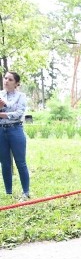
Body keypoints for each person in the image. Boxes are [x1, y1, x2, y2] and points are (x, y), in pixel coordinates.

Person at [0, 71, 30, 200]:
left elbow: (19, 113)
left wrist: (4, 110)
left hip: (16, 130)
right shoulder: (0, 95)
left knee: (20, 162)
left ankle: (26, 192)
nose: (6, 81)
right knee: (5, 162)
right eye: (5, 78)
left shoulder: (21, 96)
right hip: (1, 131)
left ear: (17, 83)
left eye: (10, 79)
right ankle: (8, 192)